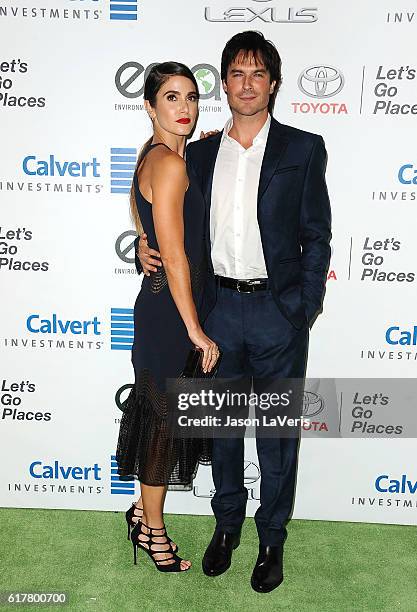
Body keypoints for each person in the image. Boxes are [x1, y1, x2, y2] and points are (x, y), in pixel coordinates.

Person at [138, 31, 332, 592]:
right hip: (216, 307)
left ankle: (271, 538)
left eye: (257, 74)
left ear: (272, 83)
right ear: (223, 83)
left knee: (276, 434)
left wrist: (305, 306)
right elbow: (164, 214)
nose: (246, 84)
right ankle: (226, 528)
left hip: (279, 312)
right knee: (221, 433)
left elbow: (317, 235)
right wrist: (144, 246)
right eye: (235, 74)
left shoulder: (304, 148)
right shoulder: (194, 152)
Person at [115, 61, 219, 574]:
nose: (184, 108)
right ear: (150, 106)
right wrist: (196, 329)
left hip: (165, 305)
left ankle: (141, 511)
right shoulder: (169, 163)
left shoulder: (169, 159)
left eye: (192, 97)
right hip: (169, 313)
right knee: (161, 423)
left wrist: (142, 242)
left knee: (164, 421)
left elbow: (160, 233)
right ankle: (152, 530)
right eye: (172, 98)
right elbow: (176, 257)